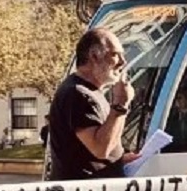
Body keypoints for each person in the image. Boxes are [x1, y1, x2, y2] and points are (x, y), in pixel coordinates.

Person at [46, 28, 139, 181]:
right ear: (94, 56)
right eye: (115, 54)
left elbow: (92, 153)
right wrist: (121, 104)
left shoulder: (91, 92)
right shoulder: (77, 94)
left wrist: (118, 160)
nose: (123, 62)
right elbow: (100, 149)